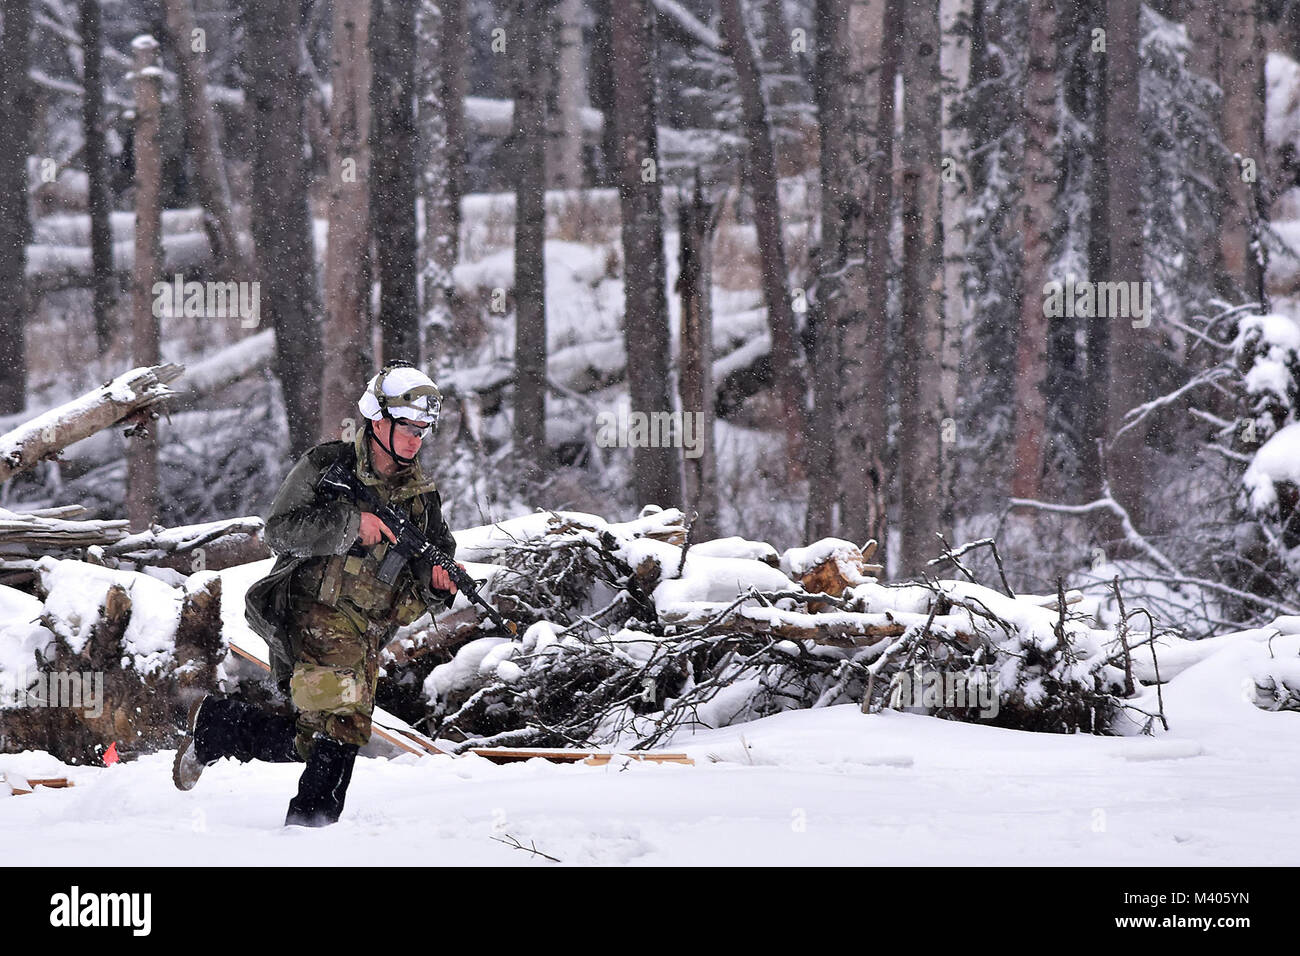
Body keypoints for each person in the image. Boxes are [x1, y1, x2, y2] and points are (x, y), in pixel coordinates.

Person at [172, 361, 464, 827]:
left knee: (317, 734)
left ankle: (218, 728)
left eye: (424, 429)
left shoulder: (420, 495)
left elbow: (437, 554)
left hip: (367, 629)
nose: (416, 439)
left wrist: (438, 580)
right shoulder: (327, 466)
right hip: (314, 613)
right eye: (408, 426)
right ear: (378, 420)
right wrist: (351, 526)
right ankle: (310, 830)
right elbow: (280, 532)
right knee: (341, 727)